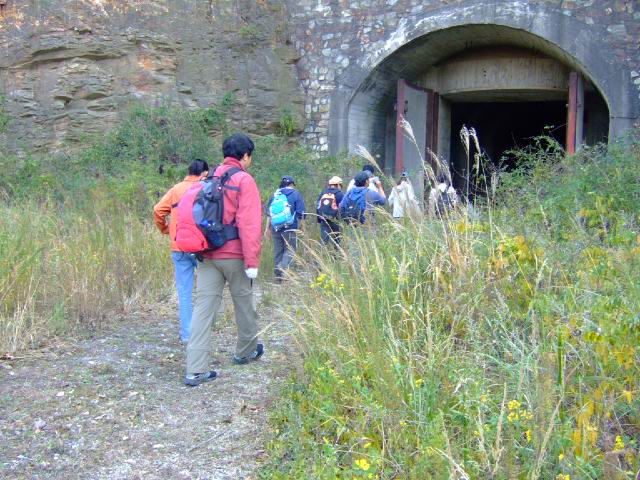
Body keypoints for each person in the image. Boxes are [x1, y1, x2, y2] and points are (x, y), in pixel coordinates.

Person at [184, 133, 263, 386]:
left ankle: (195, 369)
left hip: (207, 253)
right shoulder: (244, 180)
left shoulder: (210, 178)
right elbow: (249, 225)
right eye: (250, 156)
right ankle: (245, 351)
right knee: (244, 304)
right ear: (245, 155)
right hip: (234, 255)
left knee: (203, 309)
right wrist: (252, 262)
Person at [153, 159, 209, 342]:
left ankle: (187, 335)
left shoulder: (176, 189)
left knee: (184, 293)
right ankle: (203, 331)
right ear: (204, 173)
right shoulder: (206, 188)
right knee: (207, 291)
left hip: (179, 246)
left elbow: (158, 210)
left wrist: (165, 229)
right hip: (202, 247)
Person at [266, 176, 306, 282]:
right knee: (291, 249)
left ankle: (278, 277)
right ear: (291, 184)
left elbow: (269, 213)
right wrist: (302, 227)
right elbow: (301, 213)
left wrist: (267, 229)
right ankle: (282, 269)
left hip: (275, 227)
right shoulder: (296, 194)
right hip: (290, 227)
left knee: (278, 250)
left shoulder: (275, 194)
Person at [316, 175, 344, 248]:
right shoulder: (339, 194)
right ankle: (336, 253)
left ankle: (322, 253)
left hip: (324, 219)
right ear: (338, 184)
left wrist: (319, 219)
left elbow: (318, 206)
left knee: (324, 240)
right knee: (337, 240)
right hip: (335, 220)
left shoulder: (323, 193)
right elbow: (342, 207)